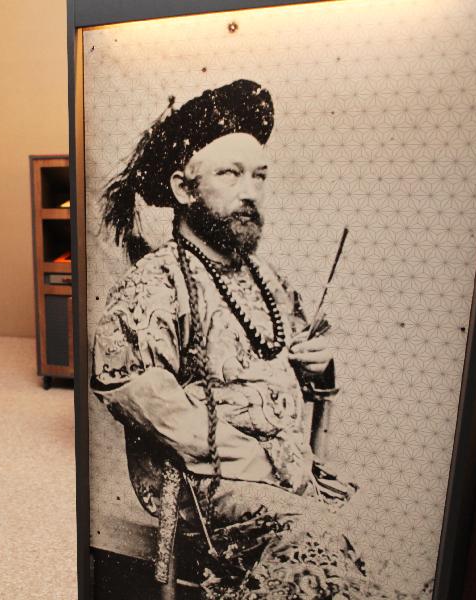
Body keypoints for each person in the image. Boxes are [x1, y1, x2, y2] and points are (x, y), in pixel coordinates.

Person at [91, 81, 425, 599]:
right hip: (211, 479)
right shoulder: (155, 282)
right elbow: (134, 386)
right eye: (230, 173)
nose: (251, 191)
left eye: (260, 176)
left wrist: (318, 366)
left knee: (397, 540)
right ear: (184, 189)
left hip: (286, 467)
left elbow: (291, 352)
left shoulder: (268, 279)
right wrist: (250, 460)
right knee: (314, 553)